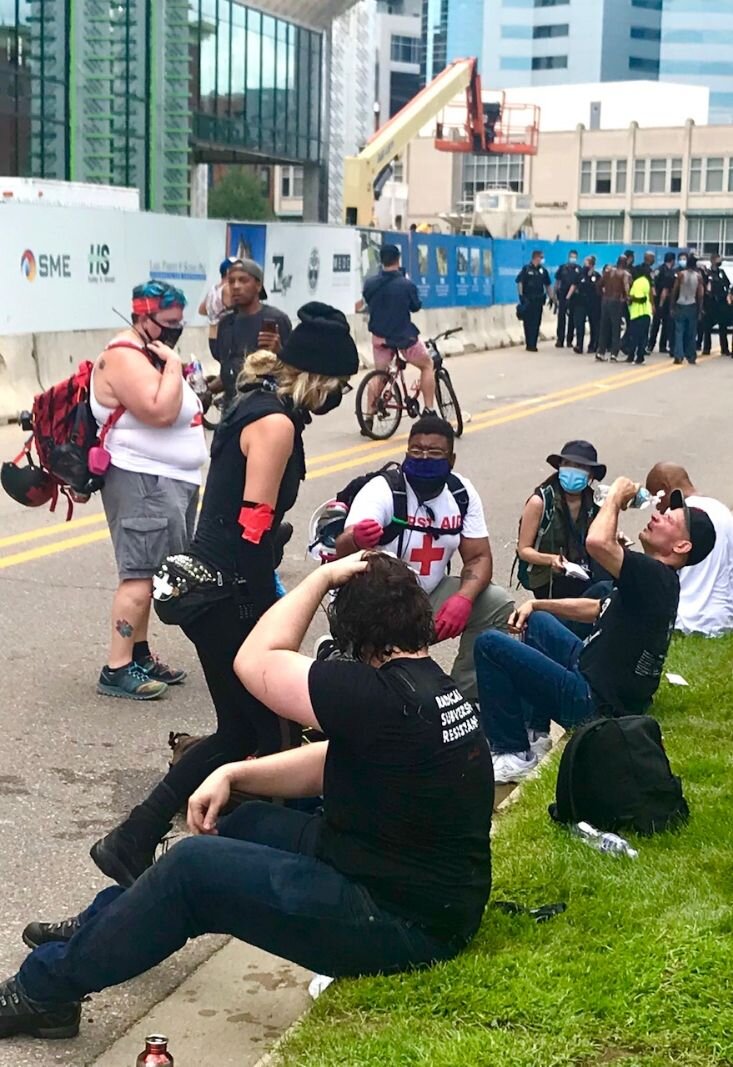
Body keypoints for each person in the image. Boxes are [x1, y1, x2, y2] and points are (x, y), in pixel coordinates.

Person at [0, 553, 493, 1042]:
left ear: (354, 635)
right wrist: (235, 773)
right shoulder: (428, 688)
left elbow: (253, 659)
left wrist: (321, 577)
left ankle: (43, 993)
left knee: (192, 869)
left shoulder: (375, 693)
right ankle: (101, 925)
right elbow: (330, 762)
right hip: (407, 884)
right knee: (247, 823)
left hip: (403, 924)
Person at [88, 303, 359, 889]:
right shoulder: (277, 423)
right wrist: (272, 613)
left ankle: (133, 839)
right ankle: (269, 865)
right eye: (339, 385)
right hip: (230, 594)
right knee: (270, 734)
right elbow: (252, 526)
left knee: (242, 732)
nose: (339, 396)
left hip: (210, 590)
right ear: (319, 378)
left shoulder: (253, 404)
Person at [475, 477, 716, 783]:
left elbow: (597, 543)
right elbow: (601, 607)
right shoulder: (656, 580)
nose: (656, 515)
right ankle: (535, 733)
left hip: (592, 703)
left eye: (667, 518)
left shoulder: (654, 575)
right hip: (598, 679)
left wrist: (615, 494)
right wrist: (538, 606)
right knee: (536, 622)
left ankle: (512, 753)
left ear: (681, 545)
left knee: (489, 645)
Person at [335, 415, 513, 700]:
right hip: (378, 605)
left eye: (434, 452)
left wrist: (463, 599)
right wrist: (356, 539)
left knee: (495, 603)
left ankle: (466, 699)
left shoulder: (461, 492)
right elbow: (341, 559)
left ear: (451, 459)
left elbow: (479, 556)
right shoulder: (382, 489)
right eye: (416, 451)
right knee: (375, 689)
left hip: (429, 598)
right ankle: (344, 661)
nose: (424, 457)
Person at [90, 281, 207, 700]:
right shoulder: (124, 356)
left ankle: (138, 653)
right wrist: (174, 366)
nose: (175, 330)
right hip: (141, 479)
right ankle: (117, 667)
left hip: (166, 481)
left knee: (153, 572)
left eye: (179, 323)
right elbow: (159, 411)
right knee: (138, 575)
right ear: (143, 317)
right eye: (169, 323)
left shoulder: (147, 351)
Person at [646, 463, 733, 637]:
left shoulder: (677, 519)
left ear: (664, 488)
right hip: (722, 618)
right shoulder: (722, 511)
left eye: (656, 499)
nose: (658, 510)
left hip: (684, 620)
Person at [361, 244, 436, 435]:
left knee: (379, 374)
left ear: (381, 260)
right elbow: (416, 306)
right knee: (427, 365)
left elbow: (368, 300)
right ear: (398, 259)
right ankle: (429, 410)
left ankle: (368, 417)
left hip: (379, 336)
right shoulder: (406, 284)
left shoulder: (370, 283)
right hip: (403, 337)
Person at [516, 440, 605, 600]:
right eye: (567, 464)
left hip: (583, 570)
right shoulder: (541, 502)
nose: (573, 471)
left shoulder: (594, 502)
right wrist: (552, 560)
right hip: (547, 577)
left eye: (580, 467)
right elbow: (524, 550)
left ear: (591, 475)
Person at [213, 259, 292, 409]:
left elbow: (293, 372)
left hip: (267, 409)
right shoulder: (226, 324)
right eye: (231, 281)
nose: (236, 286)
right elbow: (230, 370)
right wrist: (208, 389)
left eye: (243, 280)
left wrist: (279, 352)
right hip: (231, 412)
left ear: (258, 285)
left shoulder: (277, 319)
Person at [516, 250, 552, 352]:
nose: (542, 260)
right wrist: (521, 296)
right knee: (528, 322)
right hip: (528, 300)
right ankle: (529, 343)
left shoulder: (543, 271)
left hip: (538, 300)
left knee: (536, 322)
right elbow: (519, 282)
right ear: (536, 258)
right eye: (541, 257)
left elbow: (548, 285)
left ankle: (534, 344)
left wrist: (552, 298)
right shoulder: (526, 269)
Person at [671, 254, 704, 365]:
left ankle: (678, 356)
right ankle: (691, 356)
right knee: (691, 332)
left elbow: (674, 291)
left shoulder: (681, 275)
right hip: (692, 305)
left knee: (679, 331)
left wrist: (672, 306)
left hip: (681, 304)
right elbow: (700, 295)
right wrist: (700, 309)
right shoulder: (698, 277)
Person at [198, 257, 234, 358]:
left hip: (213, 338)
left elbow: (202, 310)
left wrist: (214, 312)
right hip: (226, 338)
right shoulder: (228, 289)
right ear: (229, 271)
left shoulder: (213, 290)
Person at [595, 257, 630, 363]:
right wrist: (626, 298)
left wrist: (602, 295)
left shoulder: (608, 272)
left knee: (604, 327)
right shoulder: (625, 274)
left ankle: (600, 352)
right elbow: (626, 288)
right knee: (616, 328)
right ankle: (614, 354)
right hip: (616, 301)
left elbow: (598, 285)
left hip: (605, 300)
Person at [570, 255, 602, 354]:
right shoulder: (580, 275)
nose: (585, 264)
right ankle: (579, 345)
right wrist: (568, 298)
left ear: (592, 264)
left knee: (594, 325)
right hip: (580, 302)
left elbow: (601, 289)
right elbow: (573, 286)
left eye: (587, 262)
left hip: (593, 303)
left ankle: (593, 345)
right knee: (579, 324)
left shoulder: (597, 276)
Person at [701, 253, 731, 356]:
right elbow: (704, 288)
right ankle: (706, 348)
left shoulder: (721, 272)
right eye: (718, 260)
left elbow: (727, 284)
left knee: (723, 327)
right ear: (713, 260)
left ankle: (724, 349)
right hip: (710, 303)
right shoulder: (707, 273)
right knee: (707, 327)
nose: (720, 261)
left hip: (721, 303)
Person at [649, 252, 677, 355]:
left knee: (666, 324)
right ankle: (651, 344)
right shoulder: (661, 270)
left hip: (667, 301)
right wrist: (656, 302)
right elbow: (654, 286)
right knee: (656, 323)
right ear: (672, 260)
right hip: (660, 301)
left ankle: (662, 345)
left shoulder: (670, 271)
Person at [626, 263, 653, 365]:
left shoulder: (638, 282)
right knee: (643, 337)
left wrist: (631, 298)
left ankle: (633, 356)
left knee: (635, 337)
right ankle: (639, 357)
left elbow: (642, 299)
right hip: (645, 313)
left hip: (638, 314)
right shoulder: (646, 282)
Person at [554, 250, 581, 349]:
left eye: (575, 257)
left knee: (572, 319)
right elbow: (557, 282)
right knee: (561, 317)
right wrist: (554, 296)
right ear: (568, 257)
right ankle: (560, 339)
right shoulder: (562, 268)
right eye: (571, 257)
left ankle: (569, 340)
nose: (573, 259)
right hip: (562, 294)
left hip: (574, 296)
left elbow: (579, 283)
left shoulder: (578, 269)